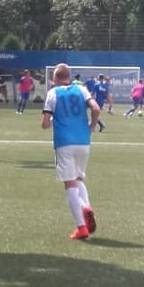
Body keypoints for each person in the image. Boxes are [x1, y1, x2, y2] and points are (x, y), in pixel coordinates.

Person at [42, 63, 101, 240]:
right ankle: (86, 209)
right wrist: (91, 125)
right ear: (69, 76)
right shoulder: (81, 89)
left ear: (55, 78)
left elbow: (45, 124)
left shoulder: (53, 93)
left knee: (70, 184)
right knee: (78, 178)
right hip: (83, 141)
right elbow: (96, 108)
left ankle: (82, 224)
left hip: (64, 142)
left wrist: (52, 119)